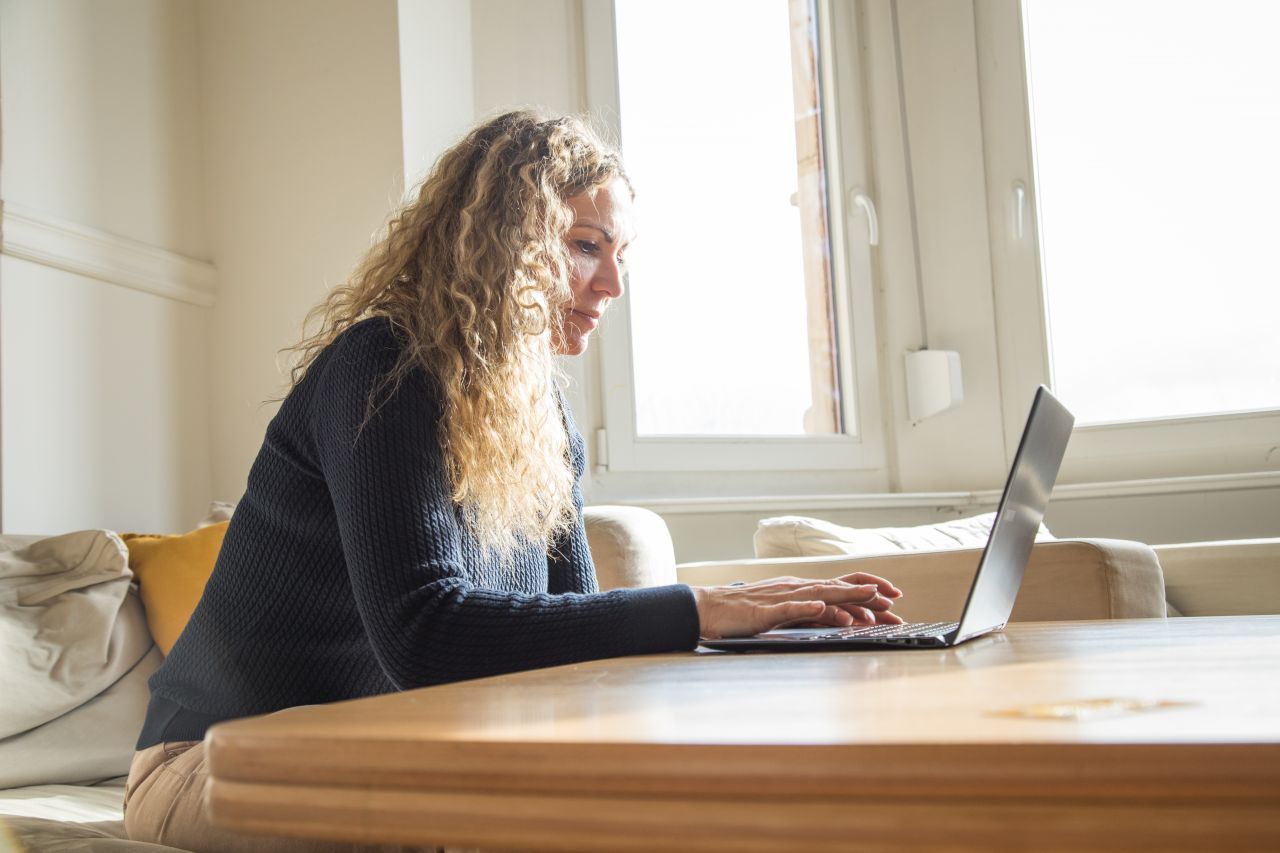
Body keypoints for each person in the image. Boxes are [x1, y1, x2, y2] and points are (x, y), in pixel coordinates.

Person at [123, 110, 903, 852]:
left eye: (620, 256)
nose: (612, 287)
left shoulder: (545, 425)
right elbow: (425, 632)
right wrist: (699, 608)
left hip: (366, 747)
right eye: (587, 246)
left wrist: (769, 644)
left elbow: (581, 647)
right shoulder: (382, 367)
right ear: (508, 240)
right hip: (208, 760)